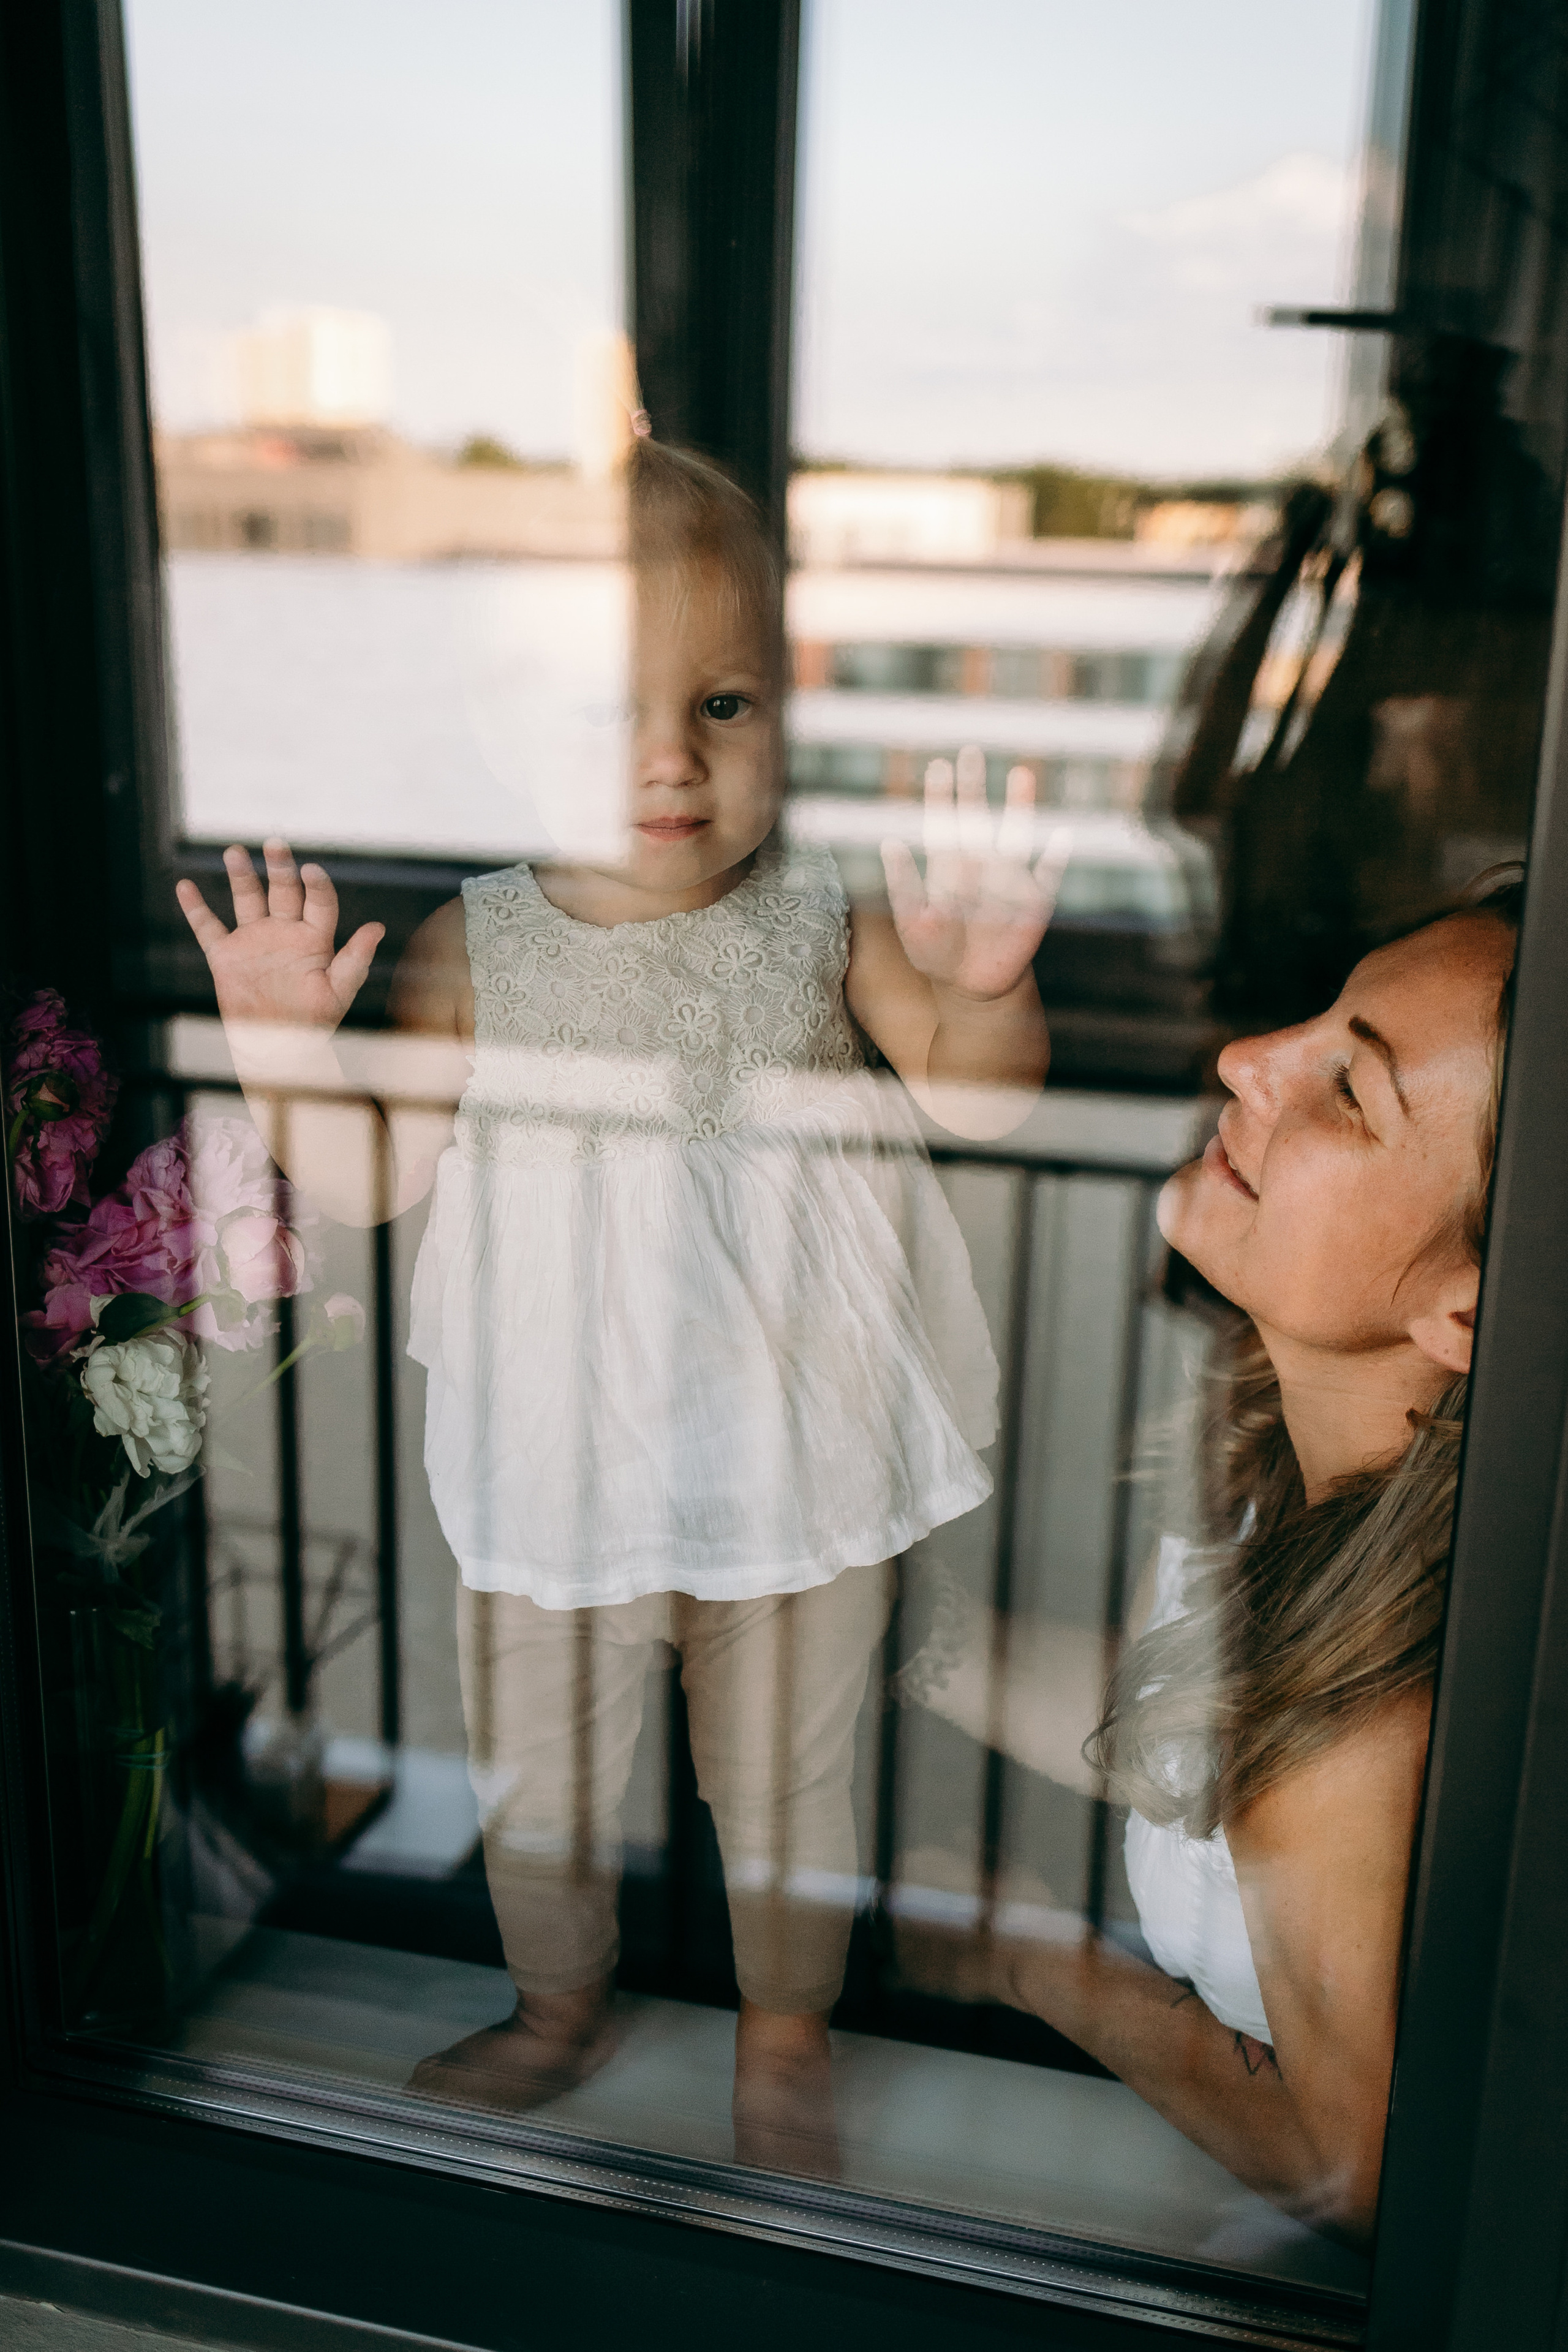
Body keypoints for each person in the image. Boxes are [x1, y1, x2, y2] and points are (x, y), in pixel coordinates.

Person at [174, 437, 1067, 2172]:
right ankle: (557, 2006)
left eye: (722, 705)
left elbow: (975, 1094)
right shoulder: (472, 940)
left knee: (793, 1780)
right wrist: (283, 1047)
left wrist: (987, 993)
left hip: (794, 1458)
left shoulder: (821, 909)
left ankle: (788, 2027)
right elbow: (373, 1177)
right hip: (556, 1456)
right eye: (603, 716)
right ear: (504, 740)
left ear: (786, 715)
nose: (669, 758)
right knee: (545, 1779)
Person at [900, 873, 1520, 2241]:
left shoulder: (1378, 1740)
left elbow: (1357, 2177)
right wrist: (889, 1637)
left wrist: (1041, 1967)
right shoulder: (1276, 1444)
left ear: (1467, 1307)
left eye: (1348, 1093)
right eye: (1319, 1021)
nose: (1245, 1060)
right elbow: (1176, 1724)